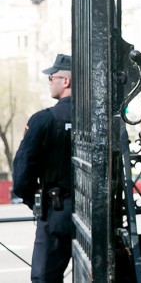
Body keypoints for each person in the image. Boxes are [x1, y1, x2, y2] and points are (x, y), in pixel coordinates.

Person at [13, 53, 73, 283]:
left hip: (55, 211)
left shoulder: (44, 120)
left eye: (52, 78)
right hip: (91, 213)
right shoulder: (93, 119)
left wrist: (35, 202)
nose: (49, 82)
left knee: (44, 277)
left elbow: (21, 176)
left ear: (65, 81)